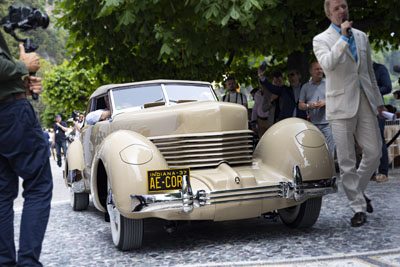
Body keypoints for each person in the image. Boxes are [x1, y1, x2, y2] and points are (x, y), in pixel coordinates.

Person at [313, 0, 384, 227]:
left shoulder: (362, 36)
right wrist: (343, 38)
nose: (342, 10)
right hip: (340, 105)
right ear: (328, 14)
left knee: (374, 153)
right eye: (336, 8)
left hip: (365, 101)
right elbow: (328, 64)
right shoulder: (321, 39)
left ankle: (358, 192)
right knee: (347, 162)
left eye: (344, 6)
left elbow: (369, 73)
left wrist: (379, 103)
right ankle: (357, 208)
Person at [0, 32, 53, 266]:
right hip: (11, 115)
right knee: (39, 186)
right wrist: (23, 65)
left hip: (9, 109)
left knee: (1, 195)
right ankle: (28, 263)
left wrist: (20, 86)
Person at [299, 62, 335, 158]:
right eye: (317, 69)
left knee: (330, 151)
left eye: (321, 69)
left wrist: (325, 102)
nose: (319, 71)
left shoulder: (329, 83)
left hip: (328, 123)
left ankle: (330, 172)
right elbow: (300, 105)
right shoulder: (305, 87)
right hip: (312, 124)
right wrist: (309, 106)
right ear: (311, 71)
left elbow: (338, 99)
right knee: (313, 150)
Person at [371, 62, 392, 183]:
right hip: (363, 107)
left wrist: (370, 91)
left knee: (379, 140)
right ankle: (371, 172)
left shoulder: (379, 68)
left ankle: (383, 171)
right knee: (366, 141)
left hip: (377, 106)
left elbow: (388, 87)